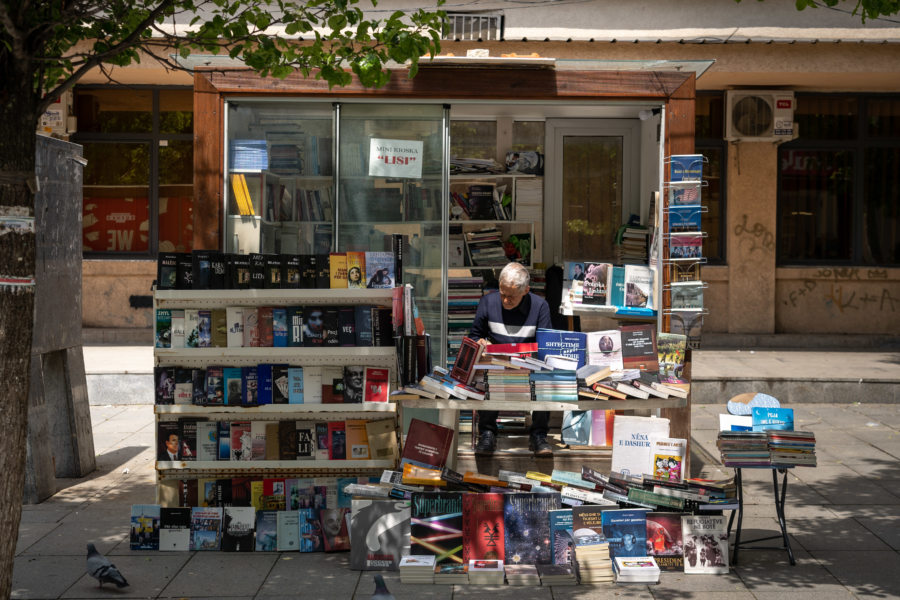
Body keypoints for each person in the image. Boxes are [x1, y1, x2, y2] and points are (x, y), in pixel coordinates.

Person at [470, 262, 553, 456]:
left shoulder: (540, 306)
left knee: (547, 376)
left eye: (512, 296)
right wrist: (480, 343)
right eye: (502, 294)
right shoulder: (487, 303)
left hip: (529, 366)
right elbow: (474, 336)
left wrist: (529, 359)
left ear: (526, 291)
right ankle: (488, 433)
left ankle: (539, 435)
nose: (506, 300)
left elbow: (546, 345)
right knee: (485, 373)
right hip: (497, 365)